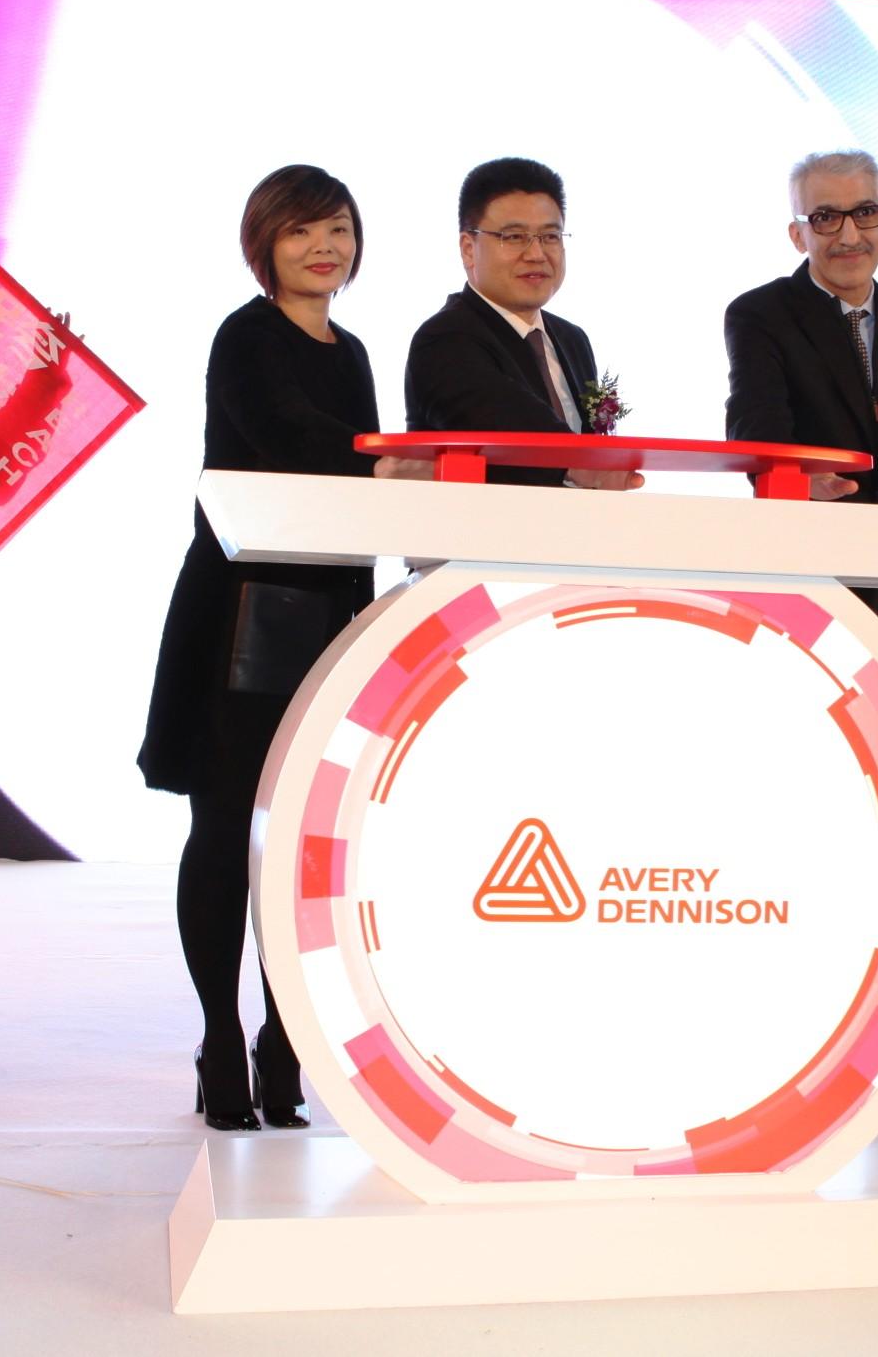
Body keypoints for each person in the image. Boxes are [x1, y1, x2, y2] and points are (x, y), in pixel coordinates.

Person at [139, 165, 432, 1131]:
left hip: (331, 611)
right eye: (301, 229)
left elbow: (354, 479)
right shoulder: (245, 334)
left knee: (304, 840)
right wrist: (387, 459)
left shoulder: (355, 349)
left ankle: (283, 1041)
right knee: (225, 833)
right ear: (262, 241)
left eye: (338, 228)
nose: (323, 247)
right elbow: (288, 439)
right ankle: (220, 1040)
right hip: (240, 614)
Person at [723, 148, 878, 1124]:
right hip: (807, 617)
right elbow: (755, 439)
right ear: (797, 231)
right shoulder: (759, 315)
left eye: (862, 213)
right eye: (824, 218)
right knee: (807, 840)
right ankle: (794, 1056)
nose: (846, 233)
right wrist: (791, 480)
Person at [403, 156, 641, 490]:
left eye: (550, 236)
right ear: (468, 249)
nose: (536, 254)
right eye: (514, 237)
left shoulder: (572, 339)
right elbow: (505, 422)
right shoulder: (444, 338)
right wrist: (588, 464)